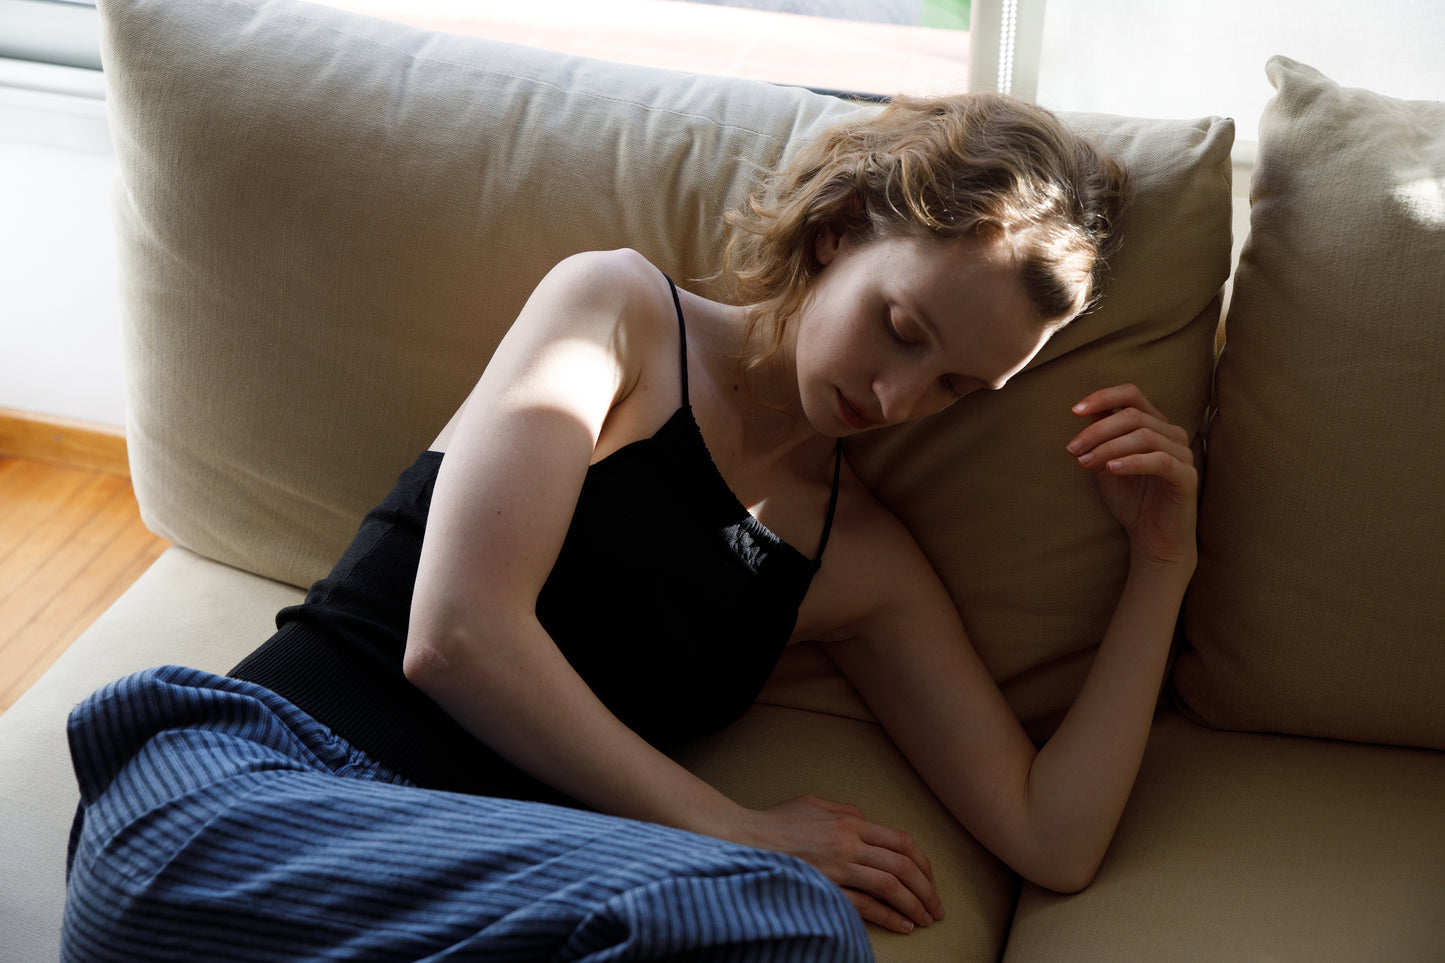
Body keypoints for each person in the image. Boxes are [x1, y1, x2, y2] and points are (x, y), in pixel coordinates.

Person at [63, 92, 1192, 960]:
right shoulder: (617, 316)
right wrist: (729, 829)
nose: (896, 399)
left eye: (953, 388)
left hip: (471, 914)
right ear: (843, 230)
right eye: (899, 327)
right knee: (768, 907)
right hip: (237, 804)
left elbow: (1052, 837)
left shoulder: (861, 565)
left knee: (774, 933)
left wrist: (1159, 560)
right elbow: (457, 636)